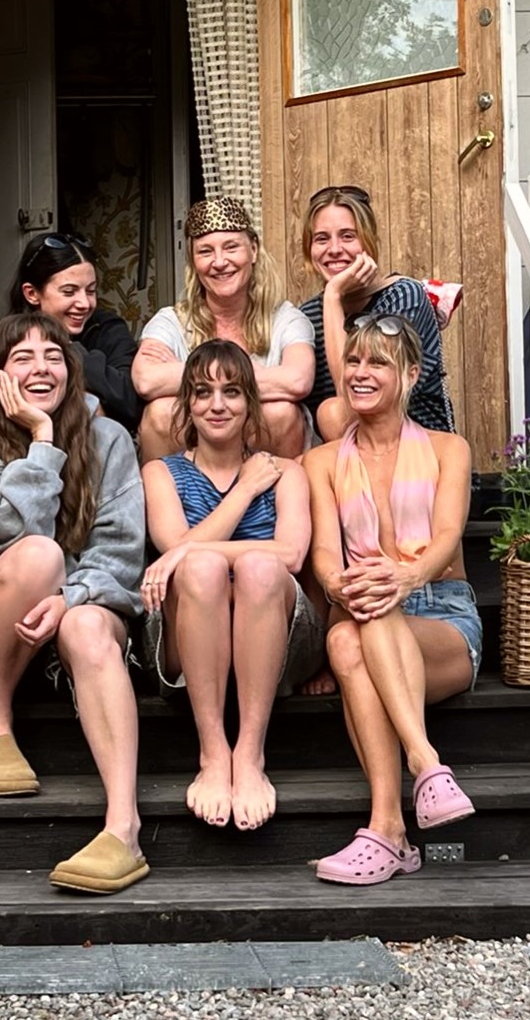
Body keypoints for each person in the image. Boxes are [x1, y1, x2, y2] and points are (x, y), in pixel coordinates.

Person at [0, 311, 150, 894]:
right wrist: (42, 441)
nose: (41, 368)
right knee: (38, 555)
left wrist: (71, 597)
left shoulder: (110, 439)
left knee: (88, 627)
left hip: (79, 609)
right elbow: (8, 531)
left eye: (54, 356)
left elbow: (121, 552)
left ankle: (124, 828)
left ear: (71, 369)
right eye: (23, 358)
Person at [304, 315, 481, 887]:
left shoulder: (450, 449)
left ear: (410, 373)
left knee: (358, 626)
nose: (360, 373)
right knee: (345, 636)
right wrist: (336, 584)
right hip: (367, 610)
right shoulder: (321, 462)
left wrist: (405, 578)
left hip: (441, 615)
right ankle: (418, 779)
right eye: (353, 361)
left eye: (377, 362)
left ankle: (392, 822)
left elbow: (448, 536)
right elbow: (324, 555)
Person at [141, 341, 325, 832]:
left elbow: (291, 555)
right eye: (202, 392)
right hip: (185, 639)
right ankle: (212, 752)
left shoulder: (286, 472)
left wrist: (189, 551)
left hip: (277, 637)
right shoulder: (160, 473)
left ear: (251, 403)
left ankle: (249, 753)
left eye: (232, 392)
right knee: (201, 569)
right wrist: (244, 490)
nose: (217, 405)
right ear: (186, 404)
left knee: (259, 569)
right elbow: (176, 549)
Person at [133, 196, 315, 461]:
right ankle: (174, 488)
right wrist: (256, 379)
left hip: (265, 459)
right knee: (160, 412)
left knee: (280, 413)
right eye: (205, 252)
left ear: (253, 250)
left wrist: (192, 379)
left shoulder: (286, 319)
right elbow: (146, 380)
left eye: (231, 247)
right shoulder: (171, 320)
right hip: (192, 456)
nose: (219, 262)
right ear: (193, 261)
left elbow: (298, 381)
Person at [300, 185, 454, 441]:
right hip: (343, 456)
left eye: (348, 236)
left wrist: (333, 296)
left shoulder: (404, 295)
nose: (334, 249)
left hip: (421, 448)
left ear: (369, 241)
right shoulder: (307, 315)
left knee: (334, 413)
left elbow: (355, 396)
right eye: (322, 239)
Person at [7, 231, 142, 433]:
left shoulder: (106, 328)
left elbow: (130, 403)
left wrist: (69, 349)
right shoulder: (2, 335)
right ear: (32, 293)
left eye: (91, 291)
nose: (84, 303)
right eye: (69, 292)